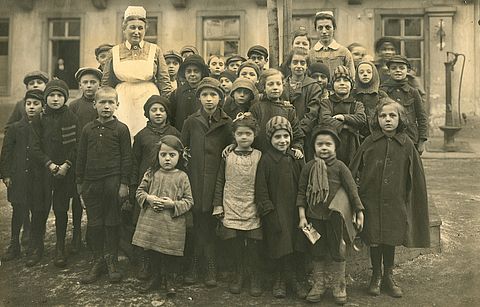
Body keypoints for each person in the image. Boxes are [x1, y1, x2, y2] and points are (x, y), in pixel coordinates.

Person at [349, 98, 430, 298]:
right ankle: (375, 275)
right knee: (375, 237)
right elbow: (354, 168)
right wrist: (357, 197)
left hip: (396, 200)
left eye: (392, 115)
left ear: (400, 118)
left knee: (390, 237)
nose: (387, 119)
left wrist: (409, 200)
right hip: (371, 199)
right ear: (376, 119)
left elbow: (416, 177)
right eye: (382, 116)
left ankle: (389, 275)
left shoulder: (406, 143)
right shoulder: (370, 141)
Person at [296, 126, 364, 304]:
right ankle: (318, 284)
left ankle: (339, 284)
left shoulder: (340, 167)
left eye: (328, 144)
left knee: (338, 250)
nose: (324, 148)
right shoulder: (309, 167)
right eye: (320, 144)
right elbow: (301, 193)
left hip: (336, 217)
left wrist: (359, 211)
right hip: (314, 217)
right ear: (314, 147)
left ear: (335, 147)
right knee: (316, 250)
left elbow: (352, 191)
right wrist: (302, 216)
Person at [76, 86, 132, 284]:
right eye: (102, 102)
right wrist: (79, 182)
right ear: (94, 105)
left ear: (117, 105)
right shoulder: (87, 129)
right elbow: (81, 156)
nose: (106, 106)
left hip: (112, 182)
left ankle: (112, 261)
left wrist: (124, 183)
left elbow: (127, 158)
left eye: (110, 102)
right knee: (94, 223)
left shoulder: (121, 129)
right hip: (92, 183)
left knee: (112, 221)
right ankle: (97, 260)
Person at [181, 77, 233, 287]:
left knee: (211, 225)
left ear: (221, 98)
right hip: (194, 180)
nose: (209, 99)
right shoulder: (191, 121)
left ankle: (211, 267)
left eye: (213, 95)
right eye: (204, 95)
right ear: (199, 98)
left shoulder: (227, 123)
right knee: (196, 224)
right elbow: (182, 149)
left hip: (216, 183)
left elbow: (233, 148)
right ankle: (194, 265)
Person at [133, 135, 193, 296]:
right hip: (152, 221)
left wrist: (172, 204)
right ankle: (155, 278)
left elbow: (189, 201)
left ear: (179, 156)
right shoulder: (151, 173)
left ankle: (170, 280)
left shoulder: (182, 177)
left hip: (171, 224)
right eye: (163, 154)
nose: (167, 159)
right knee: (152, 251)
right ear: (157, 155)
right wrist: (148, 198)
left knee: (169, 254)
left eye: (172, 155)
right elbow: (139, 191)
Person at [254, 116, 306, 299]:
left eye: (286, 136)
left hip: (295, 210)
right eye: (277, 137)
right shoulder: (266, 160)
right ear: (270, 139)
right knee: (279, 244)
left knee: (295, 243)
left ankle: (294, 278)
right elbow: (261, 189)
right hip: (277, 211)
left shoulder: (296, 158)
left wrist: (303, 209)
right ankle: (281, 279)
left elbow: (304, 183)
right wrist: (268, 211)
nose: (282, 140)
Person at [212, 113, 263, 296]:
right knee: (236, 243)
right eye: (240, 134)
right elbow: (220, 180)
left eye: (248, 134)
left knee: (255, 243)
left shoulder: (259, 156)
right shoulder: (227, 156)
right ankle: (239, 274)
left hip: (252, 204)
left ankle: (254, 276)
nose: (244, 137)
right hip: (231, 202)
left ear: (254, 135)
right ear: (234, 135)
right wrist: (218, 205)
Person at [131, 95, 181, 280]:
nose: (158, 113)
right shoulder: (142, 135)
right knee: (146, 224)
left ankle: (167, 267)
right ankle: (146, 264)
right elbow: (135, 162)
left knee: (166, 224)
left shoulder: (175, 133)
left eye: (162, 110)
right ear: (147, 113)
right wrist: (133, 186)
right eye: (154, 110)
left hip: (169, 186)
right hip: (148, 185)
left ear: (167, 113)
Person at [101, 5, 172, 136]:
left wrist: (165, 108)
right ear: (124, 29)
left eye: (140, 28)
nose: (136, 32)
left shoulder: (154, 50)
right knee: (123, 134)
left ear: (145, 30)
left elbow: (164, 83)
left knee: (147, 135)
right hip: (122, 101)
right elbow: (106, 84)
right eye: (132, 27)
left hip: (148, 98)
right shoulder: (114, 51)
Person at [30, 80, 78, 268]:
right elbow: (34, 148)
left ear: (65, 98)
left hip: (65, 174)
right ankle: (37, 248)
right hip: (43, 173)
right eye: (51, 95)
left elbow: (76, 145)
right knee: (39, 210)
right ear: (45, 98)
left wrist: (66, 165)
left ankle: (60, 248)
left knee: (60, 210)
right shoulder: (38, 119)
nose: (55, 99)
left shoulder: (71, 117)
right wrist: (49, 164)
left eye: (59, 95)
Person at [0, 89, 44, 262]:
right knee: (18, 211)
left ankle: (35, 247)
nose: (31, 107)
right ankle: (14, 244)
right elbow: (6, 153)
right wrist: (7, 175)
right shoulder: (15, 128)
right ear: (24, 106)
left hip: (37, 179)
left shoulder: (44, 128)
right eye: (28, 104)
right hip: (19, 179)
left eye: (36, 104)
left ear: (43, 106)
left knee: (38, 212)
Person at [68, 67, 103, 253]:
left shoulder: (104, 104)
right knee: (77, 196)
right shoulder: (74, 106)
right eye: (85, 82)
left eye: (93, 82)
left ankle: (93, 234)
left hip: (100, 157)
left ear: (99, 84)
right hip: (80, 157)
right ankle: (76, 235)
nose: (89, 86)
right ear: (80, 85)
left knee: (95, 197)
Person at [249, 69, 304, 158]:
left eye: (278, 84)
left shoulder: (288, 109)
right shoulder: (257, 108)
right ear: (264, 87)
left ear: (283, 86)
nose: (275, 87)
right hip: (262, 154)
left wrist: (297, 147)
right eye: (270, 84)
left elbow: (296, 132)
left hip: (283, 155)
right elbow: (249, 130)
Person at [380, 55, 428, 154]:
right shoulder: (382, 91)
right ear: (388, 71)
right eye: (393, 68)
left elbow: (422, 117)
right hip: (387, 138)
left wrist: (422, 141)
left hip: (410, 138)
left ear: (408, 71)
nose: (398, 71)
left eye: (402, 68)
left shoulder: (413, 92)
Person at [320, 66, 366, 165]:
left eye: (346, 80)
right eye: (338, 81)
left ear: (351, 85)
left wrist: (343, 117)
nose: (342, 83)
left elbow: (361, 119)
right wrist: (347, 126)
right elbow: (325, 119)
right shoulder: (327, 103)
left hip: (352, 145)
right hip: (331, 144)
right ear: (332, 85)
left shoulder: (357, 104)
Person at [282, 48, 323, 161]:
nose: (299, 66)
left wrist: (297, 133)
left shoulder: (313, 87)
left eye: (302, 62)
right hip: (282, 133)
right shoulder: (282, 85)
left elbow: (312, 113)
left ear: (307, 66)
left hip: (305, 135)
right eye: (295, 62)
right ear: (289, 65)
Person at [169, 54, 210, 131]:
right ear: (184, 73)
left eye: (196, 71)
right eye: (189, 71)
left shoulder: (207, 92)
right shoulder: (177, 93)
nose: (192, 74)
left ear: (202, 73)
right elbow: (171, 118)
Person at [309, 11, 355, 78]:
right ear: (316, 29)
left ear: (334, 28)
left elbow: (352, 77)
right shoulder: (311, 54)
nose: (324, 31)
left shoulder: (344, 52)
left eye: (328, 27)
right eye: (320, 28)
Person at [353, 61, 387, 138]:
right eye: (361, 72)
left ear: (374, 74)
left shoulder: (381, 95)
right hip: (357, 135)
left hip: (378, 134)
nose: (365, 74)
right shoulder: (353, 94)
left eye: (369, 72)